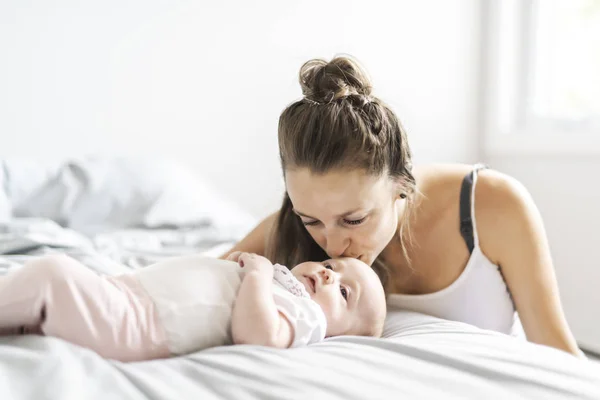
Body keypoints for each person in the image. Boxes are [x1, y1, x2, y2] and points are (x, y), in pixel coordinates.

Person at [221, 55, 584, 357]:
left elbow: (559, 354)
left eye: (354, 220)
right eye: (311, 220)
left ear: (402, 186)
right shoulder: (292, 227)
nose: (331, 245)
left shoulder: (492, 205)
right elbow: (208, 282)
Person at [0, 252, 386, 362]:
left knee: (53, 274)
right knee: (47, 293)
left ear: (341, 331)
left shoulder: (307, 316)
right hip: (126, 296)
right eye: (332, 266)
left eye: (346, 293)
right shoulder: (284, 284)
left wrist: (255, 277)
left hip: (139, 323)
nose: (329, 275)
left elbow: (260, 336)